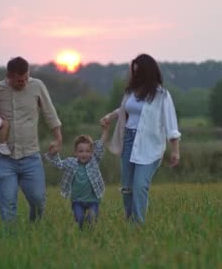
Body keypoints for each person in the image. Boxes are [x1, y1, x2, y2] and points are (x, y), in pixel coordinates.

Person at [100, 54, 181, 224]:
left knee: (140, 186)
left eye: (139, 72)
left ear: (148, 72)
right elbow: (124, 108)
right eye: (134, 72)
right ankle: (130, 220)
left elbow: (171, 122)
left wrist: (175, 150)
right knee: (127, 187)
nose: (135, 75)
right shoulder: (131, 91)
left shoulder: (161, 95)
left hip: (150, 145)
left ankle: (138, 225)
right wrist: (111, 116)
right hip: (128, 140)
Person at [0, 57, 62, 223]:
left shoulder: (37, 86)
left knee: (38, 200)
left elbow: (50, 113)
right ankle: (10, 242)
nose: (24, 82)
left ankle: (34, 228)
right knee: (8, 204)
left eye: (26, 78)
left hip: (31, 157)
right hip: (4, 159)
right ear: (9, 76)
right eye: (20, 80)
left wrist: (58, 138)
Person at [43, 122, 110, 229]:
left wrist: (105, 130)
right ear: (75, 152)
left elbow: (100, 145)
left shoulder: (93, 161)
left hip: (93, 200)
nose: (84, 154)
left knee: (92, 218)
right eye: (81, 151)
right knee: (79, 220)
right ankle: (82, 232)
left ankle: (91, 228)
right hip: (77, 200)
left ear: (91, 153)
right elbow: (59, 164)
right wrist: (52, 154)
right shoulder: (71, 163)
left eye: (88, 151)